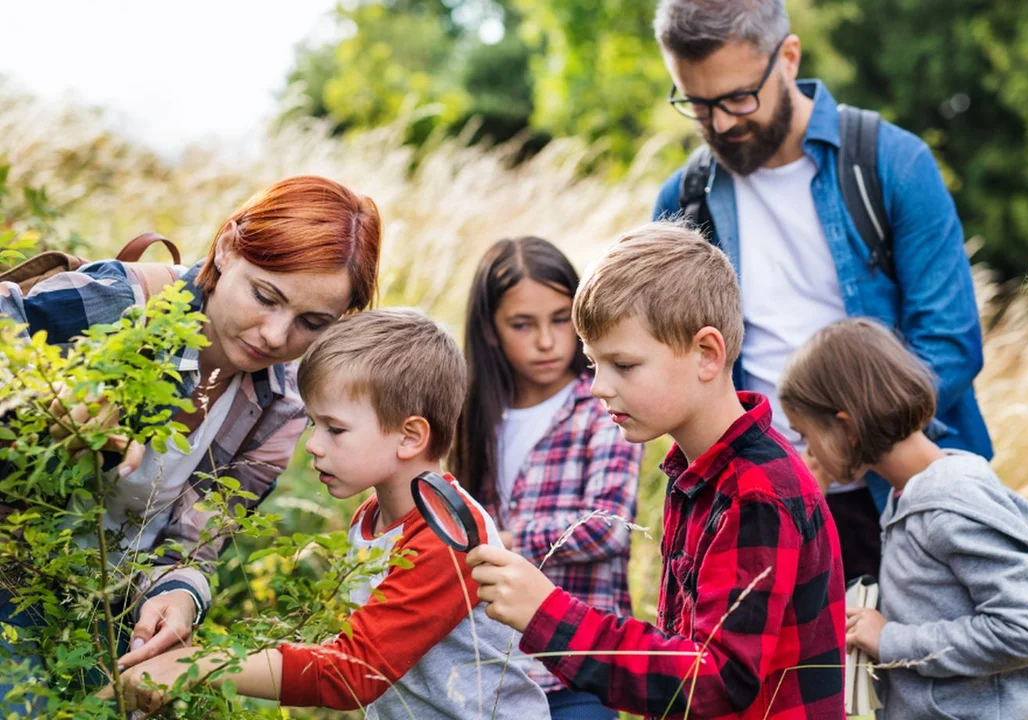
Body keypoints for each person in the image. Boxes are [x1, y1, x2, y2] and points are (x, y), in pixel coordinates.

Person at [0, 176, 382, 711]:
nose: (276, 336)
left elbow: (194, 541)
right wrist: (42, 395)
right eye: (265, 296)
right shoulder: (124, 302)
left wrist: (177, 596)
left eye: (311, 323)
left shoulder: (282, 405)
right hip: (13, 565)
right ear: (227, 247)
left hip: (100, 608)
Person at [650, 0, 990, 580]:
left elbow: (952, 342)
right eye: (699, 106)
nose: (723, 124)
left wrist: (837, 447)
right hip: (754, 501)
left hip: (903, 497)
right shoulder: (684, 202)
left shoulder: (892, 163)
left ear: (788, 57)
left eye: (737, 98)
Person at [467, 222, 846, 719]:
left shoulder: (755, 491)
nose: (599, 386)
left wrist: (549, 615)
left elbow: (712, 681)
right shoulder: (696, 473)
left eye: (623, 365)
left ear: (706, 354)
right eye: (593, 363)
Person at [114, 308, 550, 718]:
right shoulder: (374, 516)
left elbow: (351, 673)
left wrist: (198, 664)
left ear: (410, 436)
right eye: (313, 425)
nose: (315, 445)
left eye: (335, 429)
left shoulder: (448, 535)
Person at [778, 318, 1028, 719]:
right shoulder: (906, 497)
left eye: (805, 435)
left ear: (846, 428)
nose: (806, 451)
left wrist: (891, 639)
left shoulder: (949, 503)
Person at [449, 237, 642, 720]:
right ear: (490, 330)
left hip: (578, 672)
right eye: (522, 324)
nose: (546, 341)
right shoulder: (473, 419)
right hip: (493, 675)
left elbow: (610, 527)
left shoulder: (603, 406)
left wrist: (508, 542)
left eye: (560, 319)